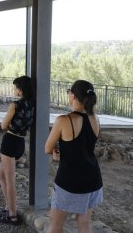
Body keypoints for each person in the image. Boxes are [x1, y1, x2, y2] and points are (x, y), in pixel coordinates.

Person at [45, 80, 103, 233]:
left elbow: (47, 148)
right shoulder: (95, 119)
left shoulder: (64, 120)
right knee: (84, 222)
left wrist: (57, 153)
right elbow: (82, 147)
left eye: (70, 92)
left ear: (73, 96)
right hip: (93, 179)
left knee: (55, 224)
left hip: (69, 181)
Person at [0, 76, 33, 226]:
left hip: (10, 142)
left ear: (20, 89)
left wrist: (5, 122)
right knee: (0, 174)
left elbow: (3, 125)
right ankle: (8, 206)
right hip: (21, 143)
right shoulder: (32, 104)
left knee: (10, 181)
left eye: (15, 87)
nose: (14, 90)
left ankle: (12, 215)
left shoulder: (15, 105)